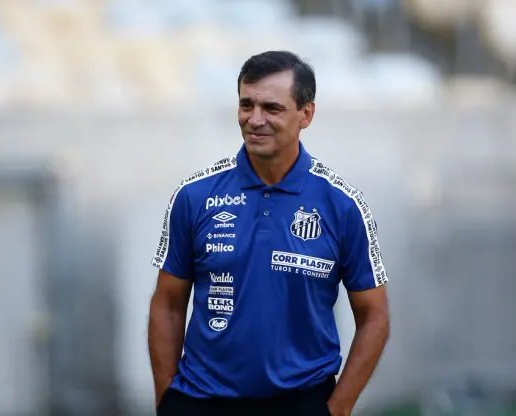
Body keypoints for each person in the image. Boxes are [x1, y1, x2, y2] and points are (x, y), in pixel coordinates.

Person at [148, 51, 390, 416]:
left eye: (272, 108)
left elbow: (375, 316)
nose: (255, 119)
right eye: (247, 105)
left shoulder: (342, 205)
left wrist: (338, 409)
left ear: (305, 114)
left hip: (301, 401)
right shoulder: (194, 196)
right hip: (200, 400)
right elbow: (167, 305)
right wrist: (166, 401)